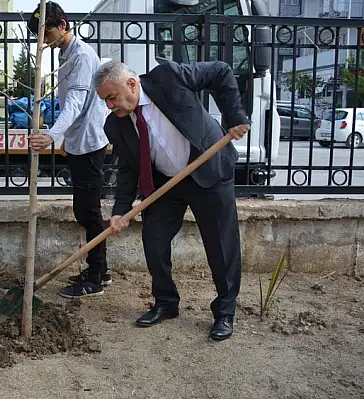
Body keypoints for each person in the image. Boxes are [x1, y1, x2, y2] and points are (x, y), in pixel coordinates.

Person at [93, 59, 250, 340]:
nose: (109, 105)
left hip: (208, 168)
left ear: (131, 83)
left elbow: (220, 72)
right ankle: (166, 302)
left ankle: (225, 311)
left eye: (111, 97)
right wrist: (120, 211)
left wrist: (234, 117)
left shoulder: (169, 78)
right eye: (105, 100)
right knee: (154, 239)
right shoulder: (114, 126)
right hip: (166, 183)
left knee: (221, 244)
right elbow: (129, 169)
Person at [27, 1, 112, 298]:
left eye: (46, 32)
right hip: (79, 141)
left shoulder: (83, 56)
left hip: (90, 142)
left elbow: (77, 103)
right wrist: (66, 140)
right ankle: (100, 268)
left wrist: (52, 135)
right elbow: (74, 104)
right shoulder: (66, 54)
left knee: (87, 211)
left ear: (62, 24)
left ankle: (97, 277)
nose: (42, 40)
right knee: (86, 210)